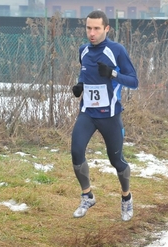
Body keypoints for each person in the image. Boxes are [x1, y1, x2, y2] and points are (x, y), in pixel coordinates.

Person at [71, 10, 138, 221]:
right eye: (89, 28)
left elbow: (134, 81)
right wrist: (80, 86)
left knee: (116, 160)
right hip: (88, 113)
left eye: (97, 28)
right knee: (76, 152)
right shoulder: (83, 50)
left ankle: (126, 198)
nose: (92, 33)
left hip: (110, 115)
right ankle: (87, 195)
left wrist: (113, 74)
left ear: (106, 29)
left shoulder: (116, 50)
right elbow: (85, 72)